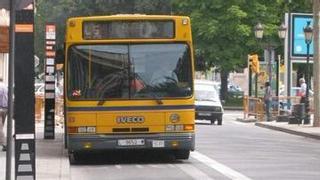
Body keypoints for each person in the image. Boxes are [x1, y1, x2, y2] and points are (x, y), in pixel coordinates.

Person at [0, 77, 8, 151]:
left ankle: (4, 144)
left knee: (0, 127)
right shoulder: (5, 86)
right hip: (5, 108)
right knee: (1, 125)